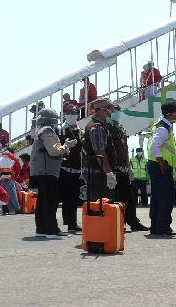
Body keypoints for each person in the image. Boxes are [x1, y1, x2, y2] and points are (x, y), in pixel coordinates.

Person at [30, 108, 75, 237]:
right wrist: (66, 147)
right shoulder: (48, 131)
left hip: (40, 170)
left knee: (42, 201)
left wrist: (63, 145)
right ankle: (52, 230)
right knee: (50, 201)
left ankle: (41, 228)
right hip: (47, 171)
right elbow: (54, 151)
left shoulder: (40, 131)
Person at [109, 119, 150, 232]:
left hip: (123, 169)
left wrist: (128, 167)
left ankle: (133, 222)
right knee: (117, 199)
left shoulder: (119, 127)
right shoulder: (108, 128)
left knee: (129, 199)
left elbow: (124, 150)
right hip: (115, 169)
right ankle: (120, 223)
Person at [147, 100, 176, 236]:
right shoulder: (163, 128)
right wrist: (161, 162)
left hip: (156, 165)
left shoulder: (160, 125)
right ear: (171, 114)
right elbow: (154, 146)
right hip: (160, 166)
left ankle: (156, 227)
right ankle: (163, 227)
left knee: (157, 197)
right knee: (167, 197)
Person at [81, 98, 118, 202]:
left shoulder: (97, 125)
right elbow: (100, 153)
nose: (112, 112)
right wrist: (109, 173)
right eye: (111, 109)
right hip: (98, 174)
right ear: (103, 110)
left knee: (99, 206)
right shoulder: (97, 127)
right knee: (101, 206)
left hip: (98, 172)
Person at [58, 102, 83, 232]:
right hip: (63, 167)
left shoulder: (80, 131)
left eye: (75, 113)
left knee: (74, 196)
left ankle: (72, 222)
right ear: (65, 115)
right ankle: (68, 221)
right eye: (70, 113)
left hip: (77, 167)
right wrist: (65, 146)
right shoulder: (60, 130)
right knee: (65, 196)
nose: (73, 115)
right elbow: (55, 148)